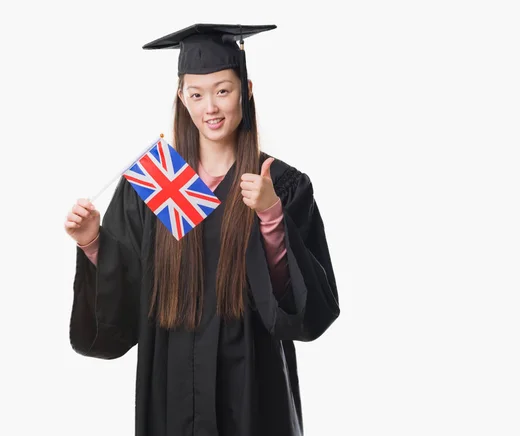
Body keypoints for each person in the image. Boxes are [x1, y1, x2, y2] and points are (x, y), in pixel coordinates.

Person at [64, 23, 340, 436]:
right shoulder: (159, 181)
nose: (210, 106)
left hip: (252, 385)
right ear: (182, 98)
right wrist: (92, 243)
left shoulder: (280, 184)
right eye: (197, 94)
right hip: (172, 386)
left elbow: (303, 311)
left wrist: (271, 216)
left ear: (246, 90)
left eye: (223, 91)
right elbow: (126, 295)